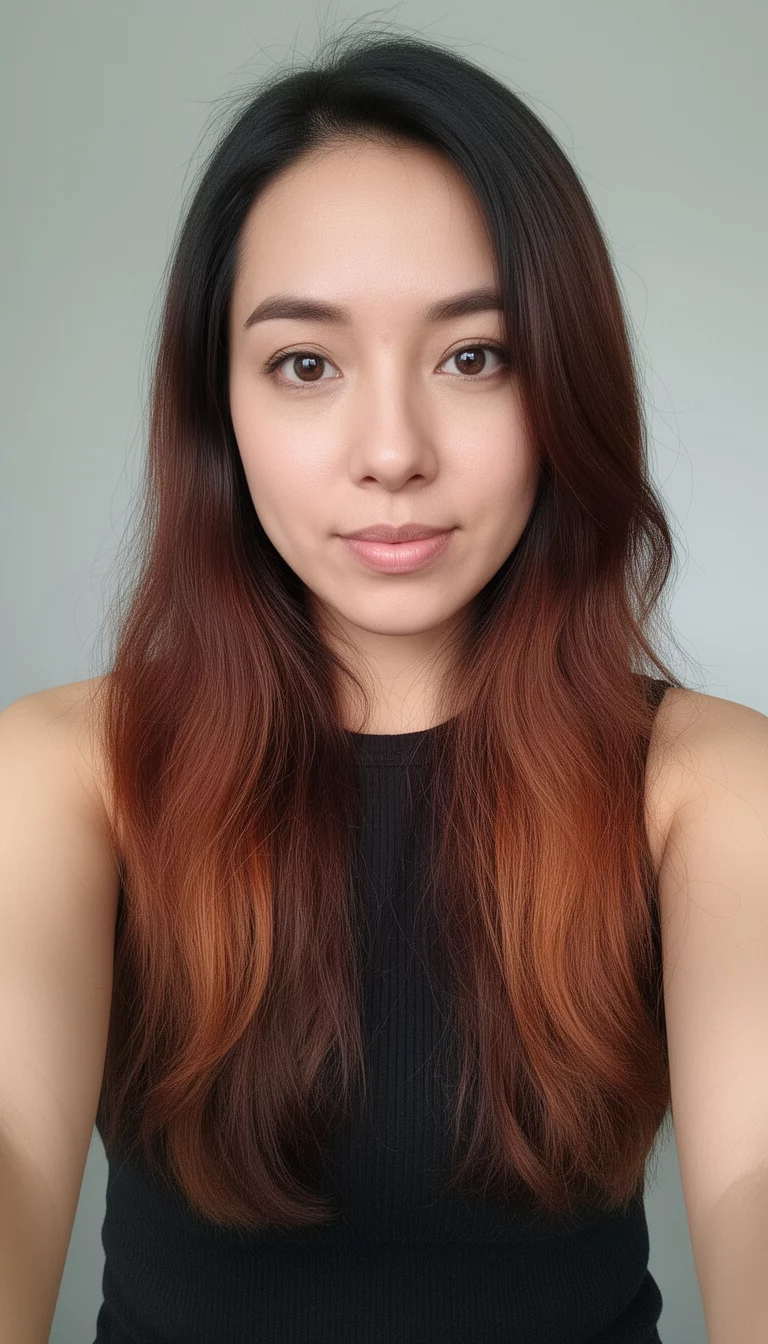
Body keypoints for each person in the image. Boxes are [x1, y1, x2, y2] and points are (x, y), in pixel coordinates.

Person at [2, 21, 767, 1344]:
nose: (394, 451)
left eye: (476, 356)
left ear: (563, 383)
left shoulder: (705, 788)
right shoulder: (64, 777)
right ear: (218, 407)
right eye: (306, 364)